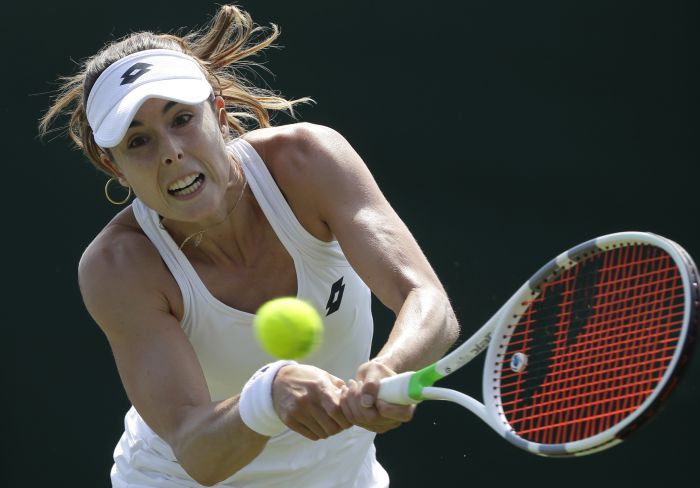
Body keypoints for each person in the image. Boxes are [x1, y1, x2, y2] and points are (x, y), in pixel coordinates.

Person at [40, 5, 459, 487]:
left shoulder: (308, 162)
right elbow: (198, 452)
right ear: (115, 168)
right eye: (139, 142)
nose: (171, 151)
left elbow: (427, 302)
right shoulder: (119, 268)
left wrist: (388, 369)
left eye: (181, 118)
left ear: (218, 114)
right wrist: (268, 395)